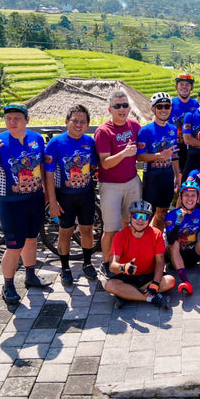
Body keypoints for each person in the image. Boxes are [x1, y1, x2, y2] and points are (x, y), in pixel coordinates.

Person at [0, 104, 52, 304]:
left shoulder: (36, 139)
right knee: (13, 247)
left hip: (35, 198)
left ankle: (30, 276)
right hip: (11, 202)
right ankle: (8, 285)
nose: (12, 122)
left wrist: (46, 192)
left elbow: (43, 168)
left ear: (27, 120)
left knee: (31, 239)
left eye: (17, 118)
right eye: (8, 118)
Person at [44, 104, 99, 286]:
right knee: (65, 232)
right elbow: (49, 174)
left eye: (83, 122)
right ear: (67, 121)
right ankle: (65, 267)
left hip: (86, 194)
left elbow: (94, 167)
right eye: (74, 120)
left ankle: (87, 263)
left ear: (88, 124)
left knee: (87, 230)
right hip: (64, 196)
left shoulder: (90, 142)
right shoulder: (56, 143)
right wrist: (52, 201)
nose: (78, 124)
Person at [94, 90, 141, 277]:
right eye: (117, 106)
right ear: (110, 109)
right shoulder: (103, 131)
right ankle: (106, 264)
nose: (122, 109)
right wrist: (124, 154)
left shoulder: (135, 126)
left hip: (132, 182)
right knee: (111, 228)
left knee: (132, 224)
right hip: (110, 185)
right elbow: (104, 163)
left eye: (125, 105)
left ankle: (127, 259)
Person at [104, 200, 175, 309]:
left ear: (149, 219)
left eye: (145, 217)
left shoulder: (157, 234)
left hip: (148, 276)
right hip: (127, 276)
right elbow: (112, 266)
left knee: (170, 281)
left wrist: (155, 283)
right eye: (137, 215)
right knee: (109, 285)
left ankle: (127, 295)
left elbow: (160, 261)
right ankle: (151, 298)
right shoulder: (120, 236)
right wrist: (123, 267)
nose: (140, 220)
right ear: (130, 216)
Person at [163, 182, 200, 295]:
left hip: (192, 256)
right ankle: (185, 281)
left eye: (193, 195)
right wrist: (177, 223)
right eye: (186, 195)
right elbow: (170, 240)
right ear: (180, 197)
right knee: (174, 243)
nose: (189, 199)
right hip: (174, 259)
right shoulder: (172, 215)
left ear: (198, 198)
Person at [137, 92, 179, 232]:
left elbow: (174, 155)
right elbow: (140, 157)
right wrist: (159, 156)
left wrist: (177, 176)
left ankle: (157, 243)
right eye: (159, 106)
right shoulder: (145, 131)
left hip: (167, 177)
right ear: (153, 109)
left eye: (166, 106)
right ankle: (141, 245)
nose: (163, 109)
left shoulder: (173, 129)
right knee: (146, 215)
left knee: (162, 214)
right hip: (152, 178)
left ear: (170, 109)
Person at [170, 73, 199, 172]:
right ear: (176, 87)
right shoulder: (169, 103)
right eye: (181, 84)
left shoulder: (196, 105)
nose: (184, 87)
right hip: (173, 146)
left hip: (191, 147)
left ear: (192, 88)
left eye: (187, 84)